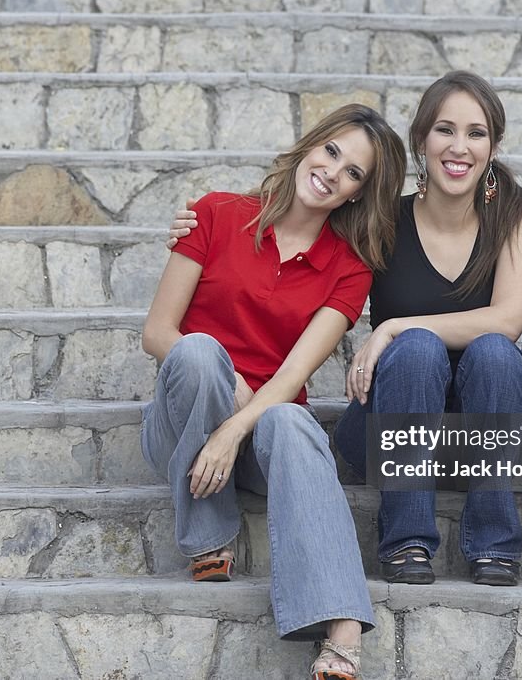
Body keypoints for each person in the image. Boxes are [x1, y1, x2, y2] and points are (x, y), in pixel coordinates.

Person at [170, 71, 522, 589]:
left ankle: (495, 546)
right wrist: (202, 222)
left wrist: (393, 326)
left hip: (480, 437)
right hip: (387, 433)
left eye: (476, 133)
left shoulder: (518, 214)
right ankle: (407, 541)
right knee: (416, 351)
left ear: (494, 145)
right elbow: (304, 219)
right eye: (445, 130)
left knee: (495, 353)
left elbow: (509, 320)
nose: (460, 147)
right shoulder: (381, 222)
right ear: (421, 141)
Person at [142, 104, 406, 680]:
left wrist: (238, 427)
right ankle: (208, 537)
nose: (334, 172)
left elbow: (293, 377)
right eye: (331, 152)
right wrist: (229, 388)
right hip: (185, 422)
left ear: (358, 194)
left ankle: (339, 620)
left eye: (354, 172)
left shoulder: (349, 267)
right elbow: (158, 333)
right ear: (310, 146)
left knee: (291, 420)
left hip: (264, 440)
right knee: (196, 350)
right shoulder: (214, 214)